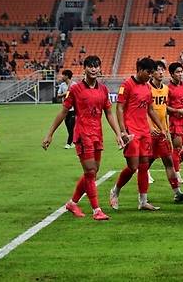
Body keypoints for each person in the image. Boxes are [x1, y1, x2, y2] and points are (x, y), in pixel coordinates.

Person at [42, 56, 123, 221]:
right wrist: (50, 134)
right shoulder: (76, 89)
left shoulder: (103, 90)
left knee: (92, 172)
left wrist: (118, 133)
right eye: (90, 66)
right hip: (82, 134)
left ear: (100, 69)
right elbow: (63, 112)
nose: (94, 69)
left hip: (97, 134)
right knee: (90, 172)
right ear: (84, 68)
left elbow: (108, 113)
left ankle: (72, 203)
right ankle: (96, 210)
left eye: (96, 66)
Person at [110, 58, 168, 211]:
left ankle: (143, 201)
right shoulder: (127, 85)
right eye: (148, 72)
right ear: (140, 70)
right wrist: (123, 130)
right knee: (133, 166)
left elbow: (150, 109)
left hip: (144, 131)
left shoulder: (147, 87)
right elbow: (120, 108)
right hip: (132, 131)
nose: (150, 75)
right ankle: (115, 190)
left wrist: (161, 127)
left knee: (144, 166)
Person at [147, 61, 183, 203]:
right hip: (165, 124)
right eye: (158, 70)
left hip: (168, 126)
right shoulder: (150, 88)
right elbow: (151, 108)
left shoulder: (174, 87)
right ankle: (123, 190)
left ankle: (177, 189)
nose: (161, 72)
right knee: (154, 158)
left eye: (162, 70)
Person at [166, 62, 183, 185]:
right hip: (175, 121)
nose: (180, 74)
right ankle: (176, 173)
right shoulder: (167, 88)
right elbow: (164, 107)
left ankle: (174, 164)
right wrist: (177, 110)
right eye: (177, 72)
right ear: (172, 74)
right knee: (177, 148)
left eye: (181, 71)